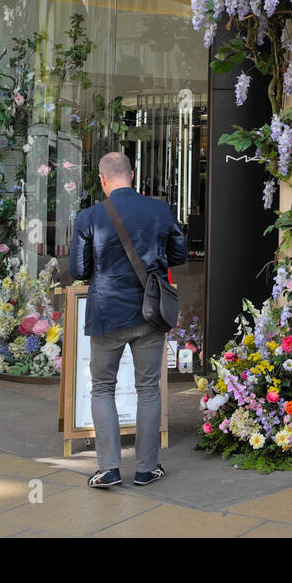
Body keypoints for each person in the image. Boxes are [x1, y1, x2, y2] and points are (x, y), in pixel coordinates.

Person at [69, 152, 187, 489]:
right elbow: (177, 255)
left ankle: (108, 468)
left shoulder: (89, 216)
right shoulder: (160, 210)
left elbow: (78, 270)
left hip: (107, 314)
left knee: (102, 387)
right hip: (150, 313)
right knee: (148, 389)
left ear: (103, 180)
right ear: (132, 175)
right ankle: (147, 469)